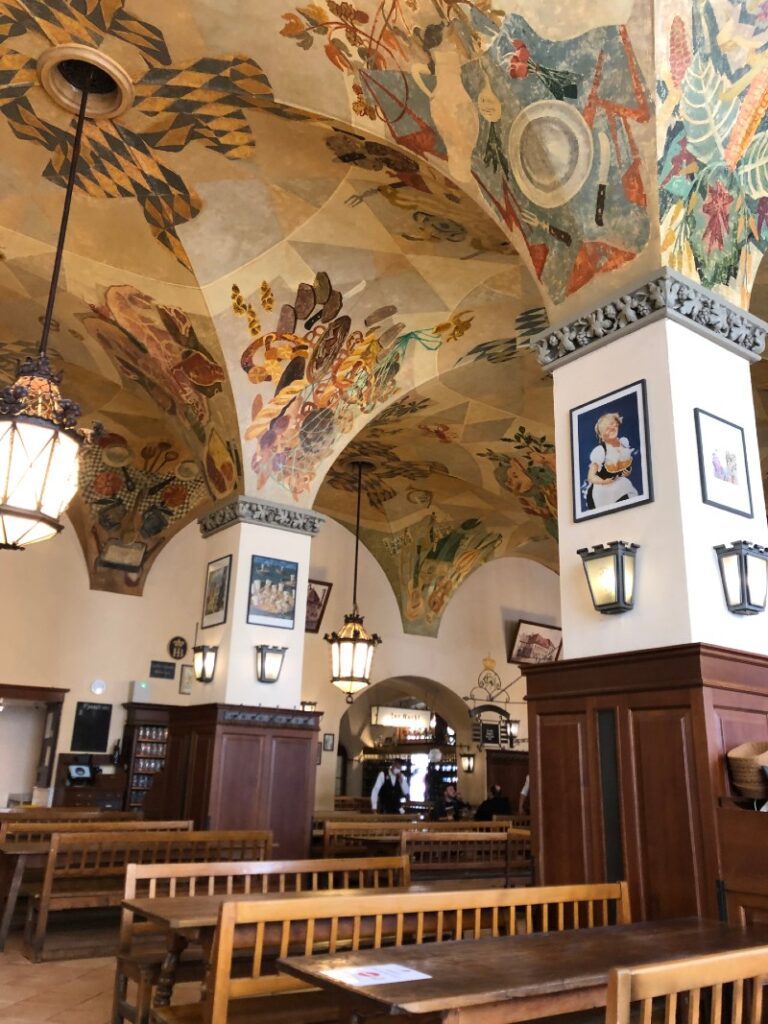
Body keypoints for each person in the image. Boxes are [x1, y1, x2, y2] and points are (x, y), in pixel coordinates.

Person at [585, 411, 638, 509]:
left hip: (620, 486)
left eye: (613, 425)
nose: (611, 429)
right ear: (601, 436)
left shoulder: (624, 444)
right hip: (602, 491)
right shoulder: (600, 451)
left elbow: (622, 468)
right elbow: (591, 477)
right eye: (606, 428)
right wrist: (605, 481)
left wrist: (626, 473)